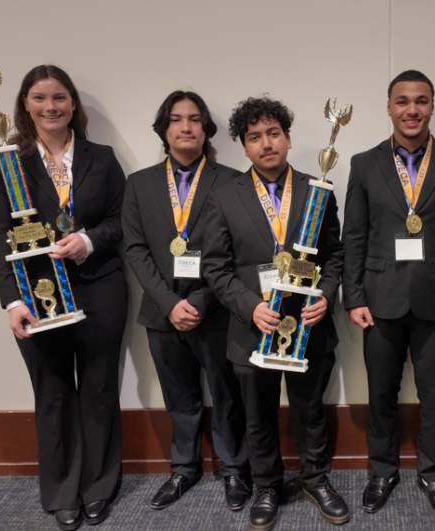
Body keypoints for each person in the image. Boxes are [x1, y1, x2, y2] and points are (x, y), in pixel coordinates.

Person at [0, 65, 126, 530]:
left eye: (60, 97)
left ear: (73, 104)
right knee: (53, 391)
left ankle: (99, 486)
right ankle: (64, 491)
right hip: (35, 293)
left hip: (99, 284)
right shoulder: (7, 160)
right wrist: (12, 301)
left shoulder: (101, 157)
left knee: (100, 389)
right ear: (25, 103)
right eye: (40, 98)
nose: (51, 106)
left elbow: (124, 220)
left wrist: (89, 241)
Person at [342, 70, 435, 519]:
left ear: (432, 107)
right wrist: (354, 296)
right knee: (381, 393)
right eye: (402, 101)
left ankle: (434, 475)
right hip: (379, 299)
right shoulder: (363, 164)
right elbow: (355, 237)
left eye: (420, 101)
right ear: (388, 107)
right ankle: (382, 472)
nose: (411, 110)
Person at [201, 96, 348, 531]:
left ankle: (315, 479)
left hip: (308, 325)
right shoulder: (224, 195)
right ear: (243, 147)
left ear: (287, 137)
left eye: (273, 133)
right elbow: (215, 267)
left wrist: (325, 292)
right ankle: (266, 485)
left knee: (310, 409)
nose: (266, 144)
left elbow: (335, 254)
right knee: (257, 414)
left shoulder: (317, 190)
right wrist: (251, 307)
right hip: (253, 328)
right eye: (254, 137)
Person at [121, 91, 250, 511]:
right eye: (176, 119)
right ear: (164, 129)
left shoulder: (233, 180)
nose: (186, 127)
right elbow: (135, 250)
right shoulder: (138, 184)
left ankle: (234, 470)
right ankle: (184, 468)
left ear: (206, 129)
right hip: (162, 311)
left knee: (226, 392)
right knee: (179, 397)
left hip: (214, 310)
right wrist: (169, 303)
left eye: (195, 119)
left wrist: (198, 301)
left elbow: (236, 254)